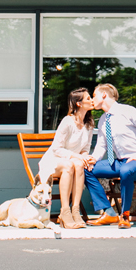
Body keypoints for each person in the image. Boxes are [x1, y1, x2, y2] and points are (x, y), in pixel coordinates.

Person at [84, 83, 136, 229]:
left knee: (126, 170)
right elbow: (101, 146)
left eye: (94, 95)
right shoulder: (103, 120)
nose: (92, 99)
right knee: (86, 169)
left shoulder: (128, 111)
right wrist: (93, 159)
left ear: (104, 95)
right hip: (118, 163)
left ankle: (125, 216)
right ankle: (108, 212)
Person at [38, 88, 95, 229]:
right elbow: (57, 148)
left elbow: (85, 148)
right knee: (70, 165)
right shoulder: (67, 122)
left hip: (72, 161)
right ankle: (64, 211)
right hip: (54, 161)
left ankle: (75, 210)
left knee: (79, 165)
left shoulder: (89, 123)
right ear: (78, 104)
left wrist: (85, 158)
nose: (92, 100)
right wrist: (78, 157)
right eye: (88, 98)